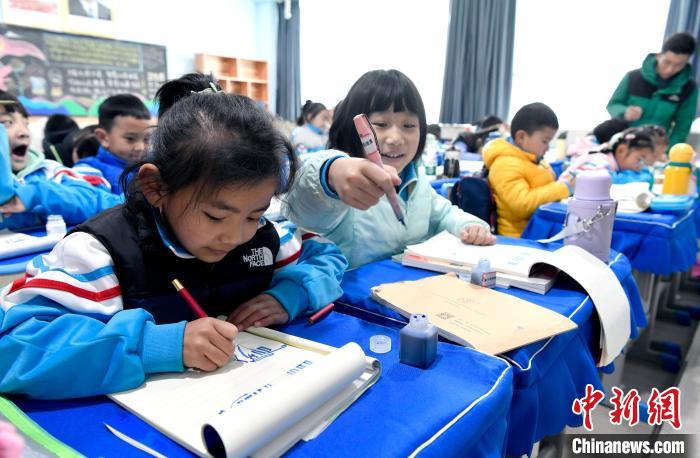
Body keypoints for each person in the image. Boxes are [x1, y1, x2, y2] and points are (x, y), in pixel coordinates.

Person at [0, 88, 347, 399]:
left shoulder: (264, 238)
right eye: (215, 216)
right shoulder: (100, 254)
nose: (236, 236)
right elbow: (13, 348)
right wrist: (153, 345)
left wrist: (291, 293)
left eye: (254, 214)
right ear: (156, 187)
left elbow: (327, 256)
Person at [282, 69, 494, 268]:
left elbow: (443, 214)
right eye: (381, 124)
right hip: (350, 301)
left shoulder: (415, 179)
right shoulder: (344, 183)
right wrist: (331, 172)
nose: (395, 138)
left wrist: (468, 225)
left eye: (409, 125)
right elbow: (302, 200)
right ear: (352, 126)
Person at [0, 91, 120, 230]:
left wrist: (37, 193)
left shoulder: (50, 172)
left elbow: (103, 203)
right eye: (6, 123)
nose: (24, 132)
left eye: (26, 124)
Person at [483, 102, 570, 238]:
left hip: (540, 228)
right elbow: (521, 205)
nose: (547, 148)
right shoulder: (505, 164)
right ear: (521, 137)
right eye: (545, 141)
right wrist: (563, 188)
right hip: (520, 236)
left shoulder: (532, 158)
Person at [607, 32, 698, 147]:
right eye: (667, 62)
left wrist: (668, 151)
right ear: (659, 55)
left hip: (655, 149)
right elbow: (613, 104)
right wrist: (625, 112)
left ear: (686, 62)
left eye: (678, 65)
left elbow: (682, 127)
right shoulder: (633, 77)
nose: (670, 69)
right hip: (623, 142)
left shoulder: (689, 88)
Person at [80, 94, 152, 193]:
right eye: (130, 138)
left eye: (146, 139)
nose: (140, 147)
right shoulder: (88, 171)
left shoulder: (150, 167)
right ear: (103, 137)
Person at [559, 127, 655, 186]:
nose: (641, 165)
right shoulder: (601, 160)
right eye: (640, 159)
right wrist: (643, 177)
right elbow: (606, 180)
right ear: (621, 150)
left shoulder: (611, 159)